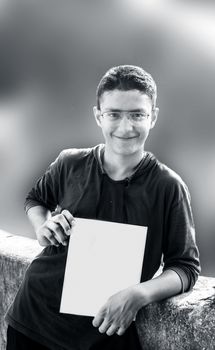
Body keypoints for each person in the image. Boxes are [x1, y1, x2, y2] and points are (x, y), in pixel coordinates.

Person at [5, 65, 200, 350]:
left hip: (104, 334)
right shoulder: (69, 163)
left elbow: (185, 267)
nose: (125, 127)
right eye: (114, 114)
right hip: (33, 320)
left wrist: (138, 294)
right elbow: (36, 200)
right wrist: (43, 226)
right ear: (98, 115)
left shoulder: (169, 187)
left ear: (153, 117)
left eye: (137, 114)